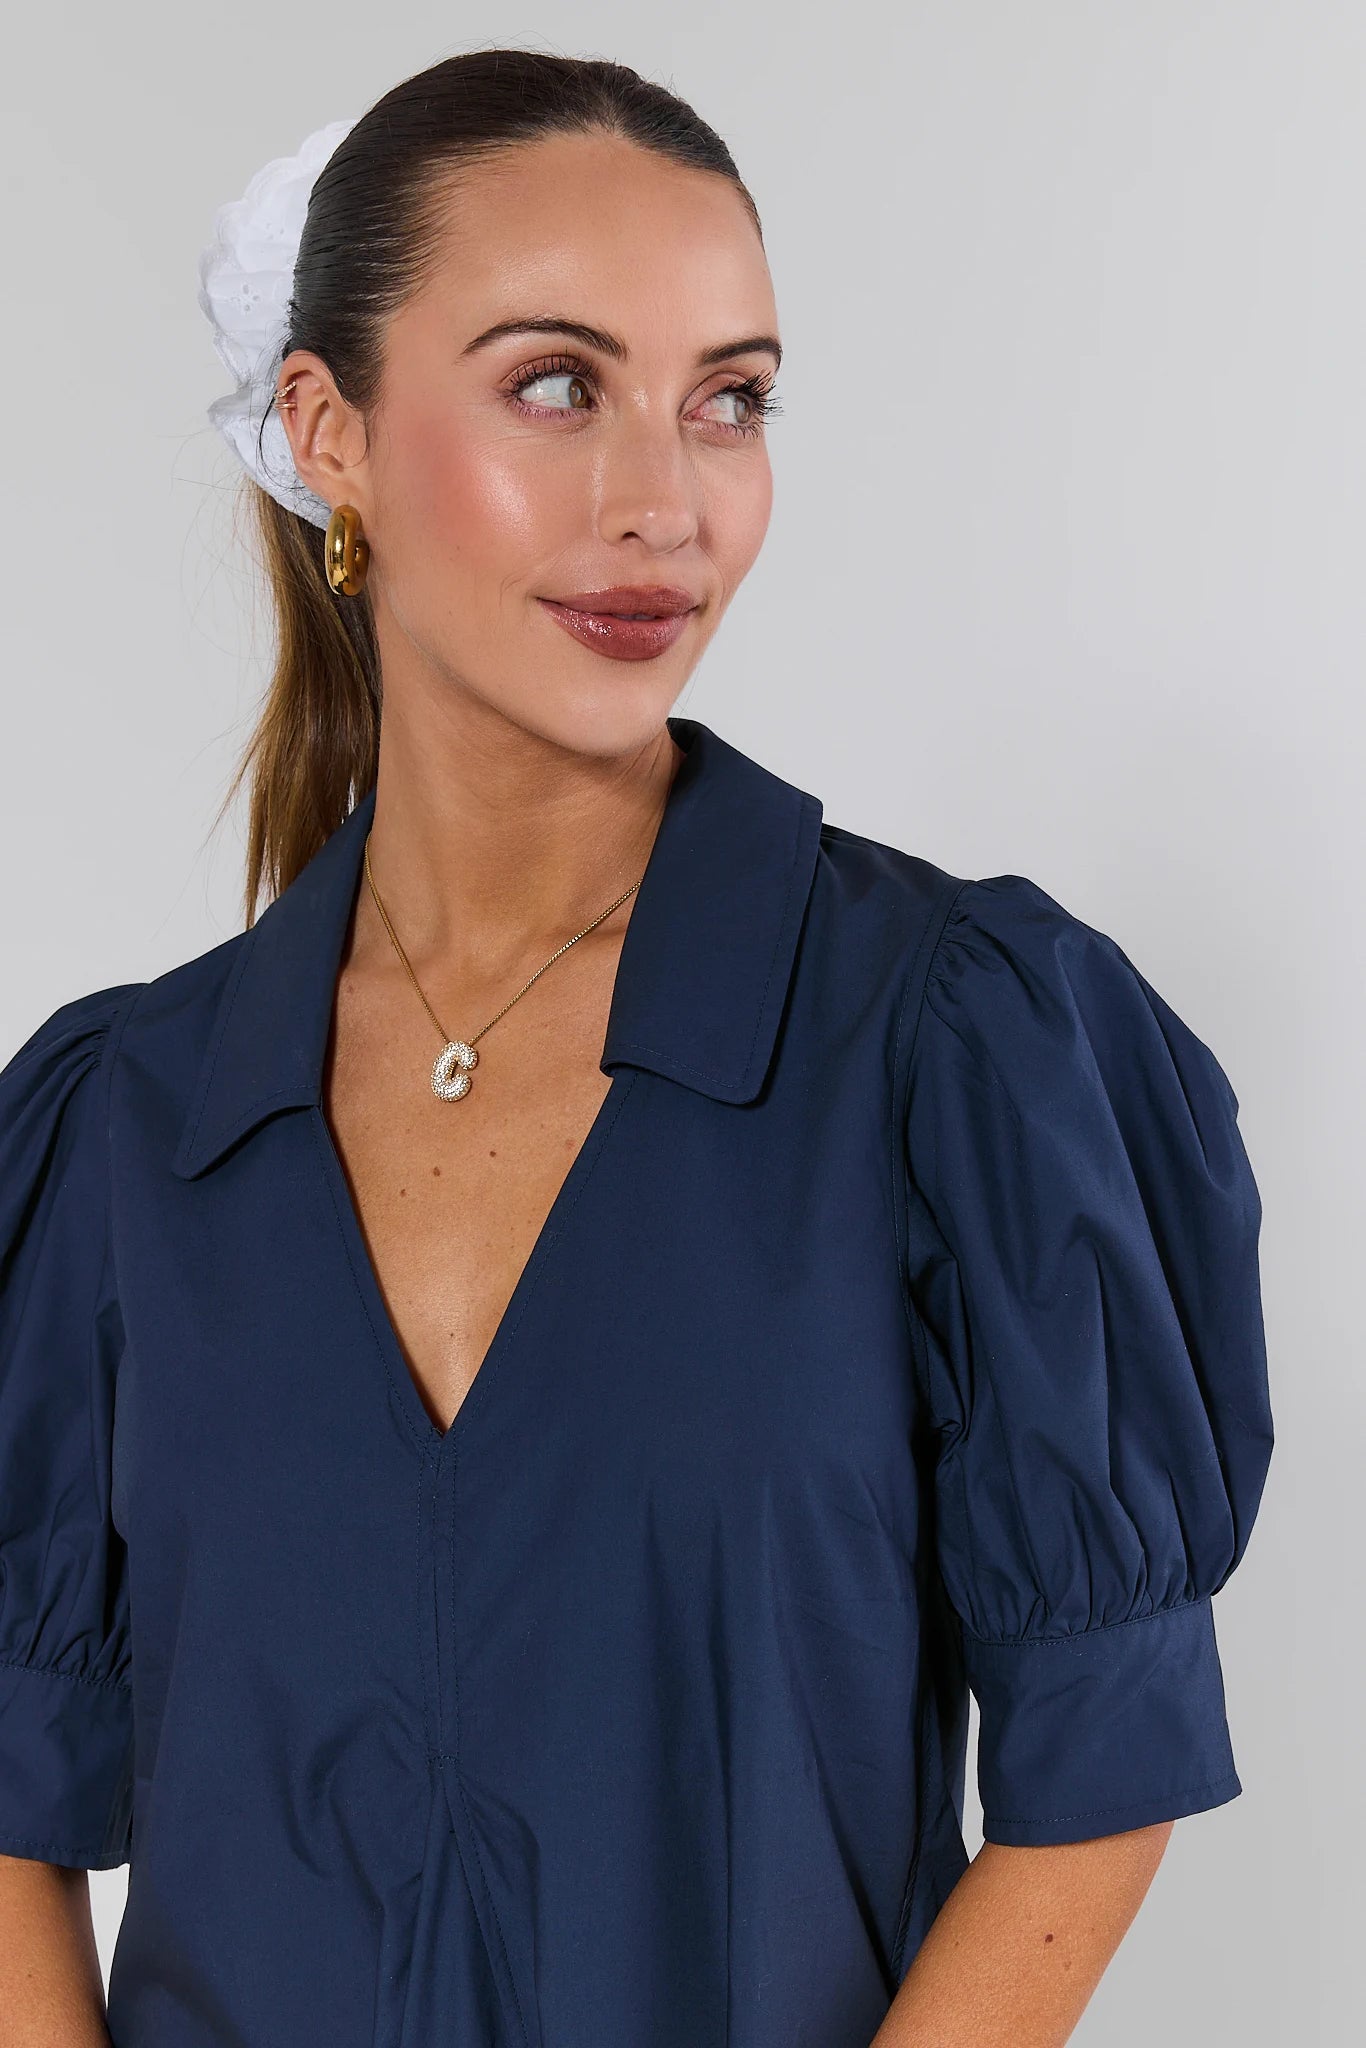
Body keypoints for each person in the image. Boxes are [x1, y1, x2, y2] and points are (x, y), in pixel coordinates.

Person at [0, 48, 1274, 2048]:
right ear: (326, 432)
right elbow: (15, 1804)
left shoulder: (954, 1056)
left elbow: (1090, 1784)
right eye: (555, 385)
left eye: (728, 400)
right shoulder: (123, 1128)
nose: (661, 502)